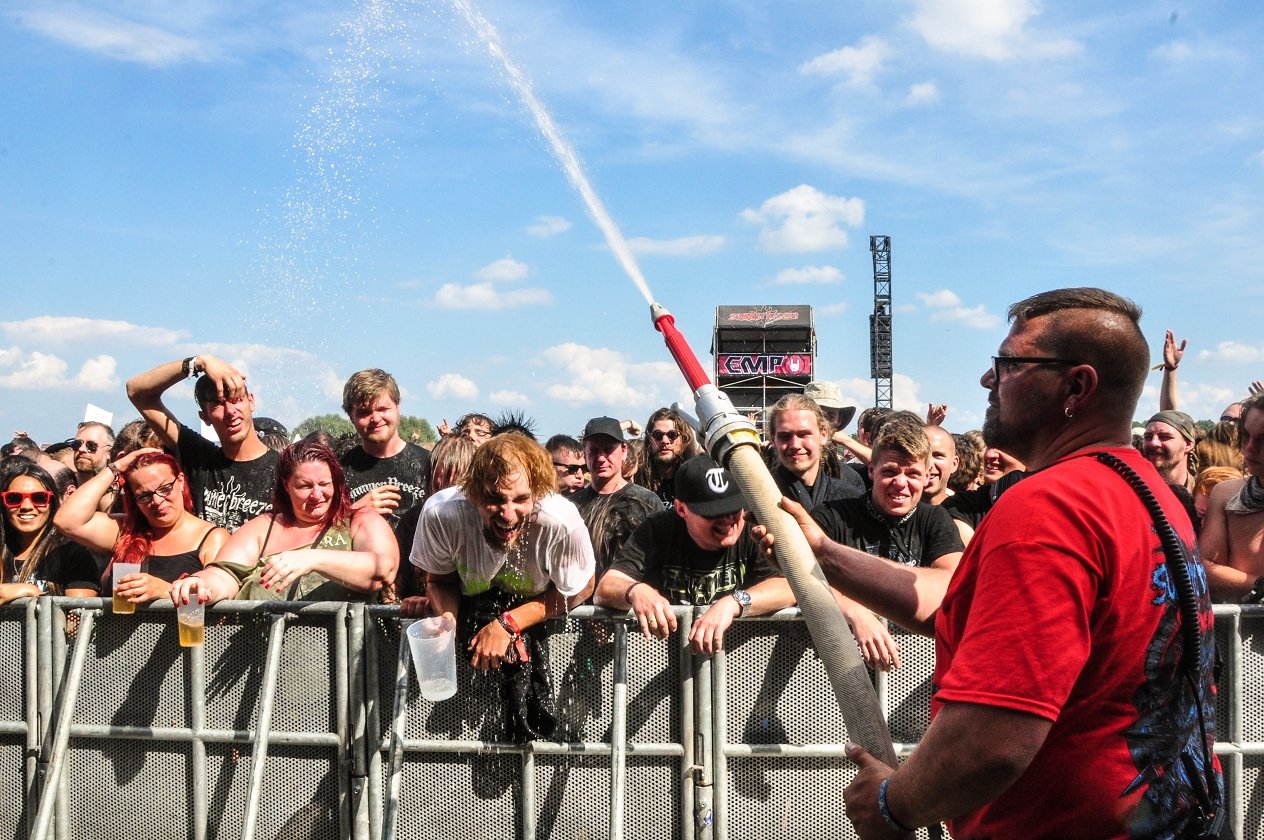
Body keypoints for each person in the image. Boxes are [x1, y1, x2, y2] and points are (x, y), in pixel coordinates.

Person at [767, 288, 1221, 838]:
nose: (988, 381)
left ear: (1077, 386)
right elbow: (970, 614)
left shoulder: (1051, 505)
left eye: (1008, 365)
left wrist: (892, 804)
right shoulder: (1149, 493)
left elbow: (993, 741)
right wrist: (827, 557)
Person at [406, 432, 595, 741]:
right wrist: (447, 622)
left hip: (546, 636)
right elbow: (440, 580)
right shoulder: (443, 512)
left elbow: (582, 587)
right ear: (473, 494)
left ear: (536, 492)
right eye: (494, 499)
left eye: (521, 499)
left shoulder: (559, 519)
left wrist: (510, 623)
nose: (508, 515)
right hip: (474, 636)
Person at [595, 455, 795, 656]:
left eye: (733, 508)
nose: (727, 519)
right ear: (681, 509)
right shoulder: (659, 528)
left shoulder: (753, 526)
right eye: (712, 512)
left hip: (742, 664)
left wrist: (733, 603)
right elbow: (605, 588)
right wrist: (636, 591)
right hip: (669, 664)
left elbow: (790, 586)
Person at [169, 440, 397, 605]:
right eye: (305, 486)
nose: (317, 495)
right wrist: (202, 584)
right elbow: (224, 575)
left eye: (324, 484)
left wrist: (312, 559)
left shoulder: (360, 520)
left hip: (341, 662)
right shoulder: (264, 526)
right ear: (286, 486)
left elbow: (382, 569)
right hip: (264, 661)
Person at [54, 448, 228, 605]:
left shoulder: (213, 537)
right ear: (133, 500)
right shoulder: (126, 530)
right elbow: (67, 520)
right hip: (119, 637)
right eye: (144, 496)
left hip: (181, 640)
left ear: (181, 482)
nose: (157, 501)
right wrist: (116, 468)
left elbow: (216, 598)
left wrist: (163, 590)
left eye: (165, 488)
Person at [127, 354, 278, 531]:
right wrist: (199, 362)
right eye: (217, 404)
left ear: (251, 401)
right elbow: (136, 392)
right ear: (204, 416)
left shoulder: (283, 469)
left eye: (236, 398)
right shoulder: (200, 459)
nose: (230, 411)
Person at [567, 417, 660, 577]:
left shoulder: (647, 502)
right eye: (594, 450)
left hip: (632, 596)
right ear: (584, 453)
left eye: (608, 450)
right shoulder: (571, 506)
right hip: (582, 599)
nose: (601, 458)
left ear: (623, 451)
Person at [338, 369, 431, 529]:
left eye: (382, 409)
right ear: (351, 417)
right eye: (364, 412)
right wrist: (355, 511)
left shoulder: (429, 464)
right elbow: (318, 529)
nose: (375, 418)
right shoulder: (338, 470)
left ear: (397, 407)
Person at [0, 459, 99, 603]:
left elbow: (77, 618)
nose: (26, 506)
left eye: (39, 498)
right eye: (14, 498)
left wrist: (34, 593)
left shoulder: (73, 553)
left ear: (52, 503)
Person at [1201, 393, 1264, 603]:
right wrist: (1258, 585)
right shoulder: (1226, 494)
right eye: (1246, 436)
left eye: (1263, 439)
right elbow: (1205, 569)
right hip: (1239, 631)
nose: (1250, 448)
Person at [766, 394, 864, 507]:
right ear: (773, 439)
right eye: (785, 436)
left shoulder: (849, 496)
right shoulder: (758, 494)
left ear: (823, 435)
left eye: (803, 434)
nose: (795, 445)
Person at [633, 407, 699, 508]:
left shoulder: (695, 479)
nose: (665, 441)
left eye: (672, 435)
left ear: (683, 439)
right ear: (649, 440)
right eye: (657, 435)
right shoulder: (636, 479)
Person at [1143, 409, 1198, 493]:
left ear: (1188, 445)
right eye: (1148, 437)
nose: (1153, 443)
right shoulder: (1135, 488)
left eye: (1164, 437)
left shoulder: (1203, 494)